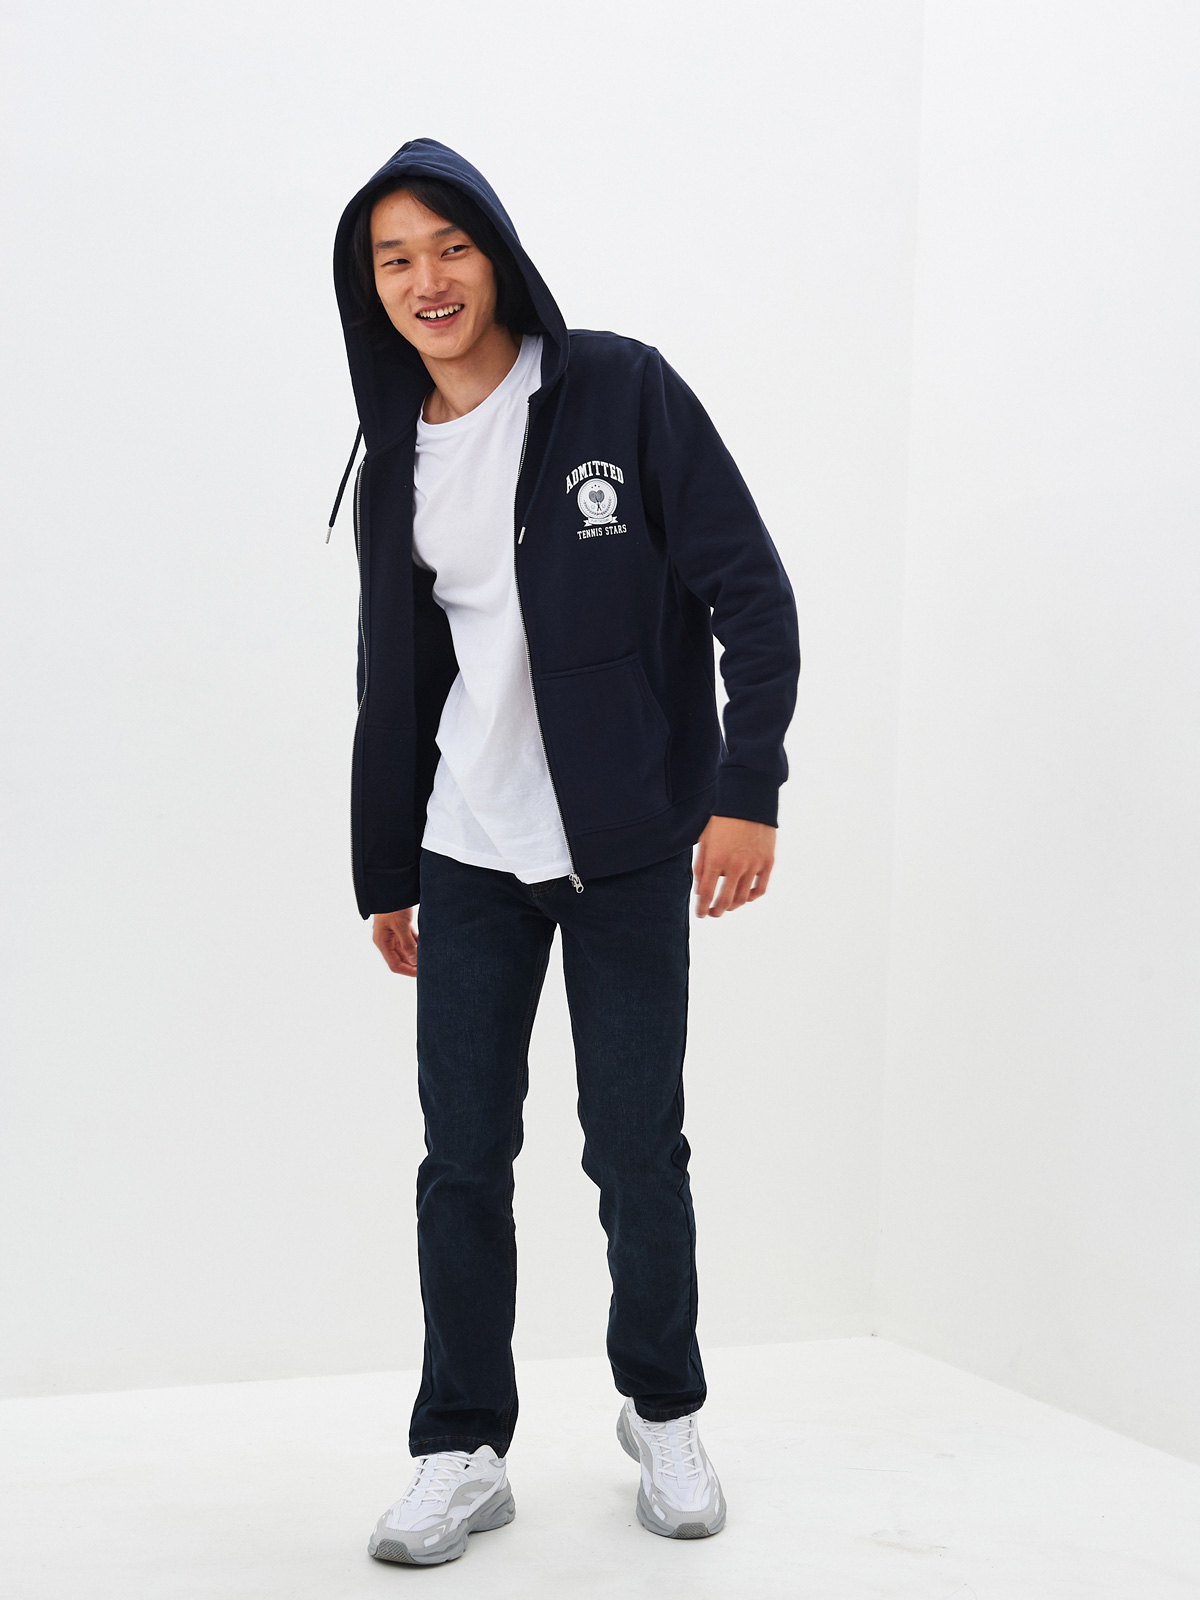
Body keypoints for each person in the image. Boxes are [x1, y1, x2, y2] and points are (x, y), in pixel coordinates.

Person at [328, 139, 800, 1567]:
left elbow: (750, 590)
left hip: (631, 843)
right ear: (370, 288)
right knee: (463, 1158)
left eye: (449, 246)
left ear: (496, 252)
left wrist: (747, 785)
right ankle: (462, 1446)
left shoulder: (617, 390)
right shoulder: (397, 453)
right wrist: (385, 865)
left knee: (636, 1148)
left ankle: (664, 1411)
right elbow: (396, 675)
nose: (427, 280)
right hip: (467, 849)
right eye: (395, 259)